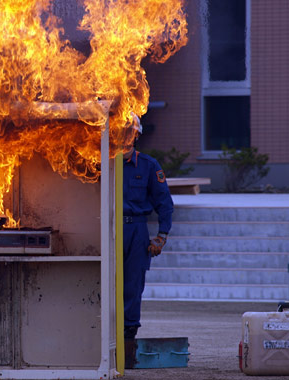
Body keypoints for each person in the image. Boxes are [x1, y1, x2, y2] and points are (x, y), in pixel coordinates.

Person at [122, 114, 174, 368]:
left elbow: (164, 203)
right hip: (105, 229)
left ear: (136, 135)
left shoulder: (149, 166)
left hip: (136, 230)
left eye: (130, 131)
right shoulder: (99, 163)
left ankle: (127, 346)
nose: (125, 135)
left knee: (132, 288)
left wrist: (161, 236)